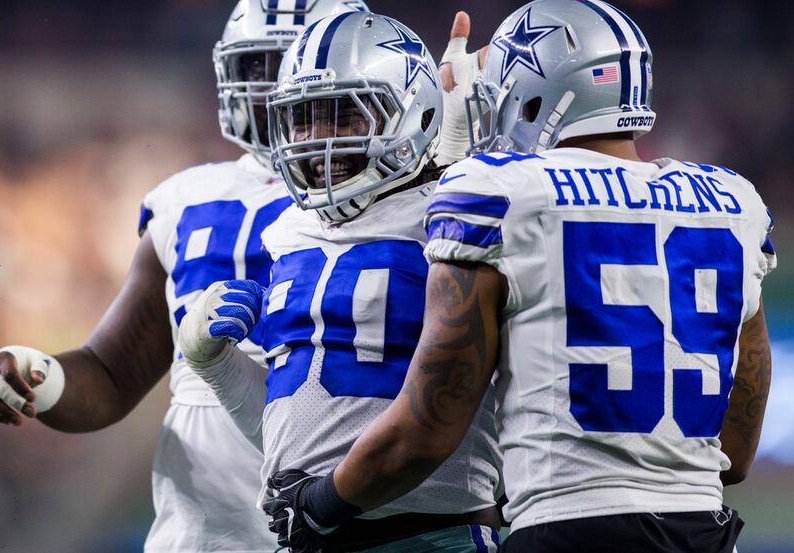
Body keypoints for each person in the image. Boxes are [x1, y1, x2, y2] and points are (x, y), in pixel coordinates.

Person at [258, 1, 777, 552]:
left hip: (566, 527)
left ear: (536, 94)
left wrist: (320, 504)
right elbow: (738, 454)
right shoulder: (732, 202)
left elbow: (433, 420)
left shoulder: (499, 192)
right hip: (702, 529)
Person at [0, 1, 368, 551]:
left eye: (289, 68)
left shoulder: (401, 198)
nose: (271, 90)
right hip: (203, 530)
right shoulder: (185, 200)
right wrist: (38, 375)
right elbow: (113, 372)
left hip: (350, 513)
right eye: (257, 68)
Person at [178, 12, 503, 553]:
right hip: (319, 529)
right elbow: (302, 437)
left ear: (414, 110)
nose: (316, 140)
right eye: (303, 120)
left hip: (431, 535)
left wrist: (467, 160)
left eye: (343, 116)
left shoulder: (456, 212)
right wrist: (216, 368)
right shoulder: (290, 232)